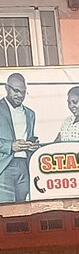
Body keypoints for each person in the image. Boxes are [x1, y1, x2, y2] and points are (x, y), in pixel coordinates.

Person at [0, 73, 38, 203]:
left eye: (23, 92)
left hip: (25, 166)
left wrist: (33, 145)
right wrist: (10, 146)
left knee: (24, 209)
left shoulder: (30, 114)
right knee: (6, 211)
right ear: (6, 88)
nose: (20, 95)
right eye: (16, 91)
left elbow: (30, 136)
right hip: (4, 166)